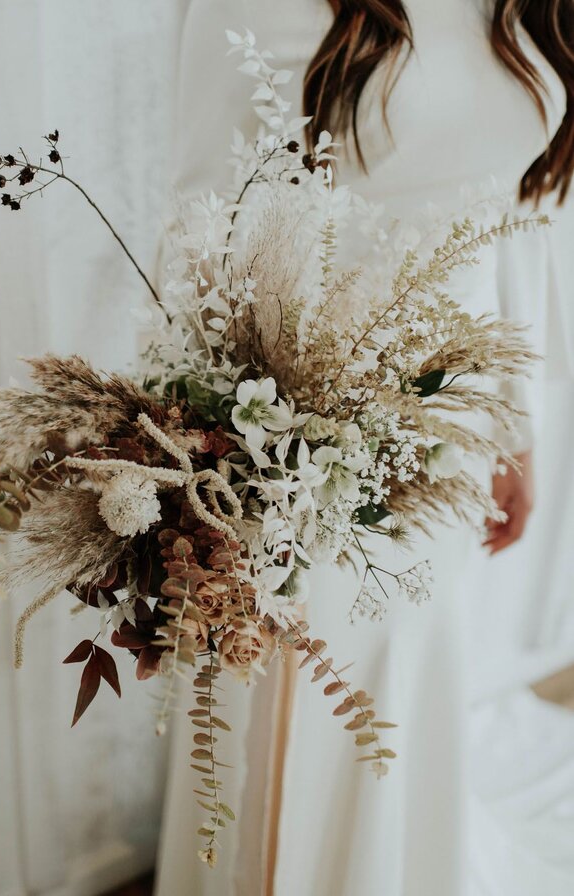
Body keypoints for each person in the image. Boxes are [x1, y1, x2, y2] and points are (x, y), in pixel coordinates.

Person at [154, 2, 571, 894]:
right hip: (304, 432)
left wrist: (513, 423)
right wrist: (221, 462)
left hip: (449, 432)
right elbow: (203, 228)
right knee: (306, 703)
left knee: (408, 684)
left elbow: (506, 222)